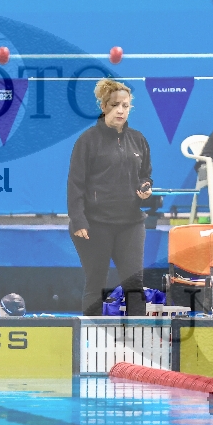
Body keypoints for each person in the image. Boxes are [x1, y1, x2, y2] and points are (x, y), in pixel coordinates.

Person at [67, 79, 153, 316]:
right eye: (115, 105)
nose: (120, 111)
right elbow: (75, 184)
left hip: (131, 223)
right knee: (96, 283)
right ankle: (91, 335)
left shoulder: (138, 139)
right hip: (96, 224)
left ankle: (138, 336)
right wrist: (78, 220)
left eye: (125, 106)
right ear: (104, 106)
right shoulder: (87, 141)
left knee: (134, 285)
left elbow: (145, 175)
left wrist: (145, 187)